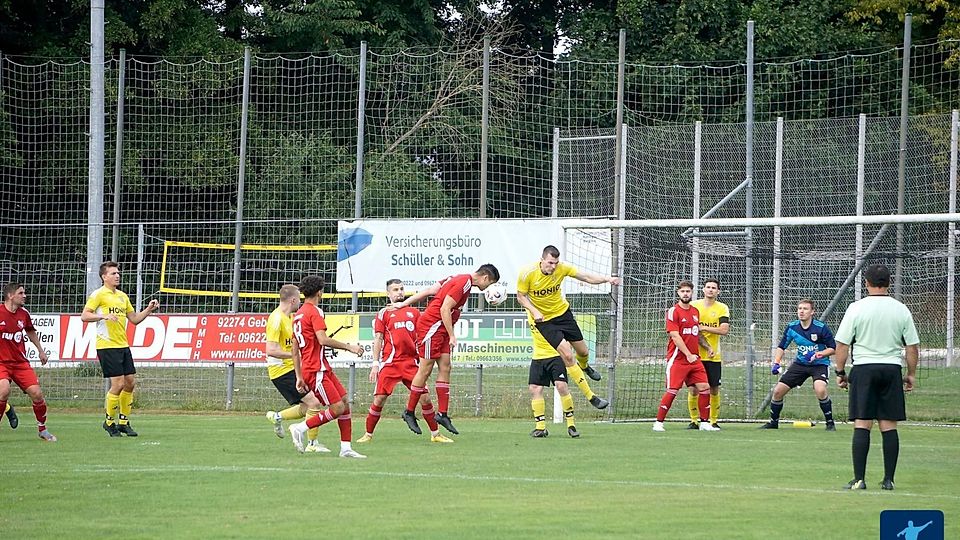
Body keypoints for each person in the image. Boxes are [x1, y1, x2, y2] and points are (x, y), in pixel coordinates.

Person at [834, 264, 919, 491]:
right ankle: (889, 479)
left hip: (864, 369)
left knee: (863, 422)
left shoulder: (856, 308)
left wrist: (840, 372)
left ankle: (859, 479)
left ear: (866, 283)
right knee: (888, 425)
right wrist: (910, 374)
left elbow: (842, 344)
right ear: (889, 283)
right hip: (891, 369)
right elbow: (912, 346)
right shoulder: (901, 309)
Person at [393, 264, 501, 436]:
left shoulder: (455, 278)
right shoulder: (463, 282)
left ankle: (442, 414)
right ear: (485, 277)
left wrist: (403, 304)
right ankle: (409, 411)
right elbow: (444, 308)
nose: (487, 287)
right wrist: (452, 335)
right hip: (431, 327)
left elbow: (430, 290)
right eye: (489, 283)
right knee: (425, 369)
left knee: (445, 367)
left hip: (441, 329)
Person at [515, 245, 617, 411]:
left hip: (563, 314)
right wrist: (534, 311)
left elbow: (586, 277)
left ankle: (584, 366)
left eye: (555, 263)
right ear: (542, 260)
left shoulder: (561, 269)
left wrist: (607, 279)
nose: (553, 267)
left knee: (583, 352)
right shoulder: (527, 273)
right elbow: (521, 296)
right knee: (567, 354)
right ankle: (592, 397)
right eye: (550, 263)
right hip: (544, 321)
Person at [358, 279, 452, 444]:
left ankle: (435, 434)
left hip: (412, 363)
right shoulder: (383, 313)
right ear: (388, 293)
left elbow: (422, 335)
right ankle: (368, 434)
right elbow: (378, 338)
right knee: (379, 399)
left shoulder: (414, 313)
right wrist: (375, 363)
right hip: (390, 363)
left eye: (401, 289)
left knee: (425, 398)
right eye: (395, 289)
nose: (399, 292)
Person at [287, 275, 366, 458]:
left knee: (345, 403)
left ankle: (346, 448)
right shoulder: (314, 312)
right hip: (316, 369)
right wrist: (350, 347)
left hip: (318, 368)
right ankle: (300, 428)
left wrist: (299, 376)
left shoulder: (298, 315)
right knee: (337, 407)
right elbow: (322, 339)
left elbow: (294, 349)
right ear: (319, 292)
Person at [81, 261, 160, 437]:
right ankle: (109, 422)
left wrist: (148, 309)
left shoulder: (123, 296)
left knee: (130, 383)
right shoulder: (99, 295)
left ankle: (123, 422)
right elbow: (84, 316)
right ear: (104, 277)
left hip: (122, 345)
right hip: (107, 345)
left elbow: (134, 319)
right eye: (113, 273)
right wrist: (103, 315)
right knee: (118, 384)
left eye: (118, 273)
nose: (117, 276)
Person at [263, 284, 326, 451]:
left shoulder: (290, 317)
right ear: (293, 299)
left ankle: (277, 417)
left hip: (292, 369)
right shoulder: (276, 319)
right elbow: (271, 350)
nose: (301, 301)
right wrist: (296, 356)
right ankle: (312, 444)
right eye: (299, 298)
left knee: (308, 407)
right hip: (282, 372)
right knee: (314, 403)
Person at [760, 299, 837, 430]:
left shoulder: (821, 328)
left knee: (820, 389)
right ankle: (773, 423)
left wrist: (819, 354)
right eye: (799, 308)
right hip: (800, 364)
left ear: (812, 312)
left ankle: (830, 423)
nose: (801, 311)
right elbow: (781, 346)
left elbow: (832, 348)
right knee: (778, 391)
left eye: (805, 309)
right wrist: (776, 363)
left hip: (819, 365)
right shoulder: (792, 327)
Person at [652, 280, 718, 432]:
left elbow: (697, 333)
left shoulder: (695, 311)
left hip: (694, 359)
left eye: (688, 291)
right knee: (673, 390)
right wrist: (687, 354)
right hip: (678, 360)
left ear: (692, 293)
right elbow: (675, 336)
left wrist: (707, 346)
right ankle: (658, 422)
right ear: (678, 293)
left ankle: (704, 423)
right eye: (683, 291)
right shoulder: (673, 311)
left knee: (705, 387)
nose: (685, 294)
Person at [0, 283, 56, 441]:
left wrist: (40, 350)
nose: (24, 295)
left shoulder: (23, 314)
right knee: (3, 390)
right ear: (11, 296)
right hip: (1, 363)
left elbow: (30, 330)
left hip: (20, 363)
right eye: (21, 293)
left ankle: (42, 429)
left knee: (37, 394)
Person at [687, 279, 730, 429]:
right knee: (694, 388)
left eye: (714, 288)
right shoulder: (694, 306)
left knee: (713, 388)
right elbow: (692, 330)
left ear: (718, 291)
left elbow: (724, 330)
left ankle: (713, 421)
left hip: (713, 356)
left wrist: (704, 327)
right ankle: (694, 421)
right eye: (708, 287)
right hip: (695, 355)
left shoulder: (722, 308)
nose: (710, 290)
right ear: (703, 290)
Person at [527, 323, 580, 438]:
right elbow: (523, 303)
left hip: (556, 355)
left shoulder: (554, 312)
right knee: (534, 388)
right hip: (538, 356)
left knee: (561, 386)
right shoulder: (530, 310)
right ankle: (540, 427)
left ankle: (571, 425)